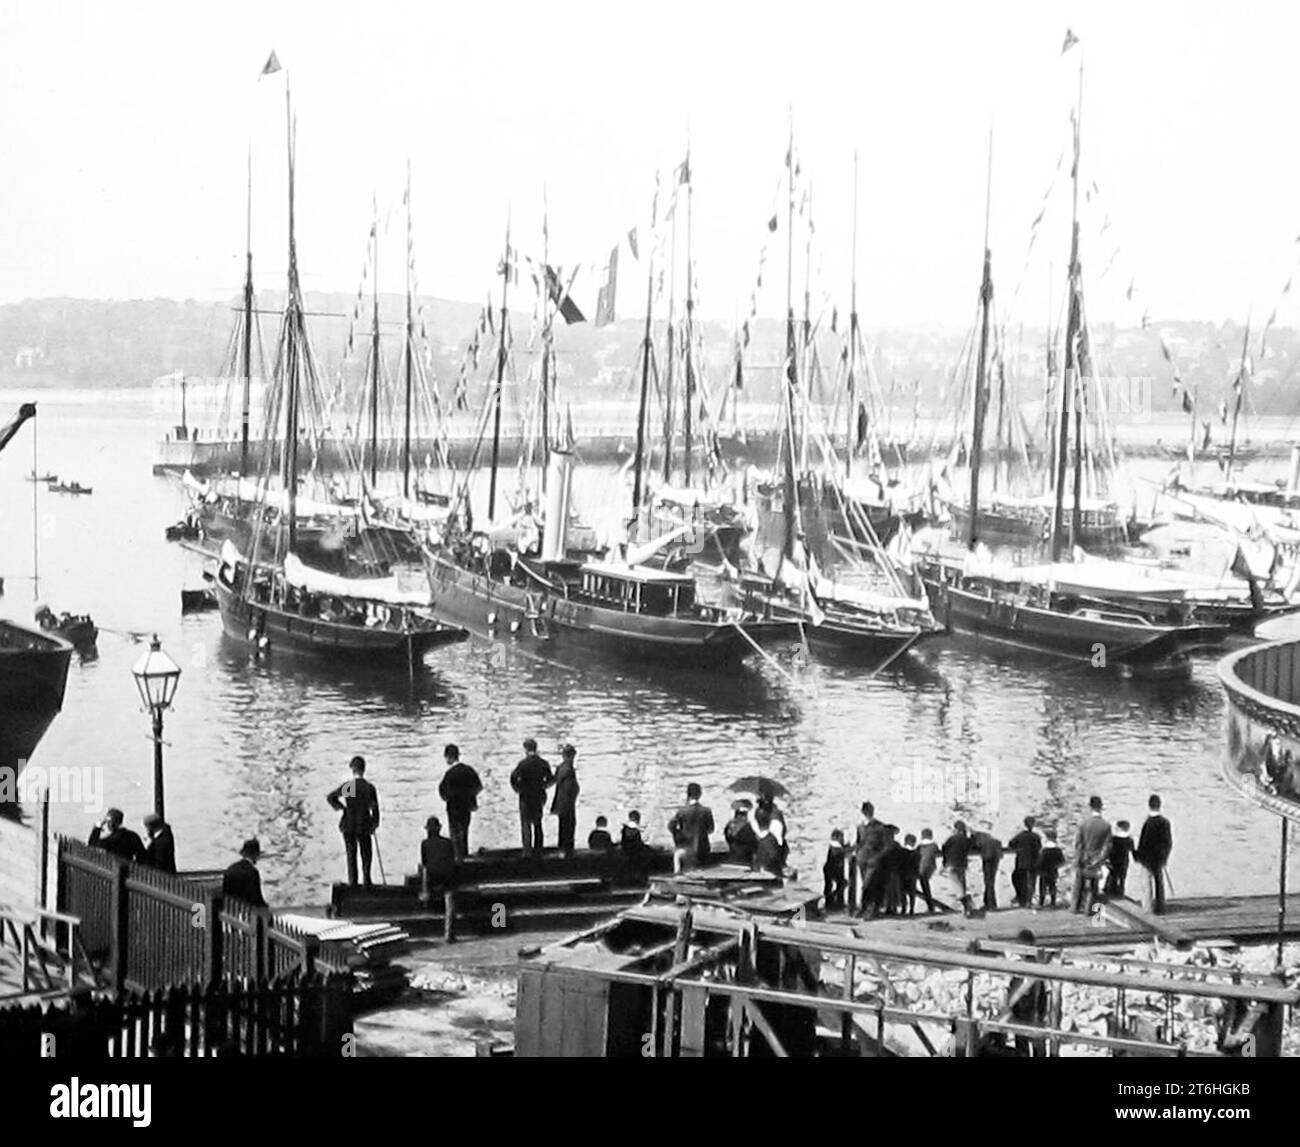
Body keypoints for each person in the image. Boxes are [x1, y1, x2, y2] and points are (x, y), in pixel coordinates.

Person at [326, 755, 380, 887]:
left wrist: (341, 808)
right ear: (364, 769)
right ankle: (367, 880)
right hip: (364, 824)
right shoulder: (369, 787)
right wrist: (374, 824)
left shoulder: (350, 787)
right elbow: (375, 810)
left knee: (351, 855)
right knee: (366, 854)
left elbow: (331, 797)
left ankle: (353, 883)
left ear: (353, 769)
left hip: (349, 823)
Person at [510, 738, 554, 856]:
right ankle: (539, 850)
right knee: (538, 823)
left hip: (525, 796)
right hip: (538, 796)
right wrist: (543, 786)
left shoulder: (522, 764)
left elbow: (513, 778)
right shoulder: (543, 763)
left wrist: (518, 789)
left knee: (526, 824)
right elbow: (551, 779)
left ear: (526, 749)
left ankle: (527, 851)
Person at [437, 744, 482, 861]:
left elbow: (443, 792)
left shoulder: (449, 774)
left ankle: (458, 858)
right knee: (464, 831)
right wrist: (470, 796)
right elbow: (478, 787)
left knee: (455, 834)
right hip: (467, 806)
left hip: (453, 807)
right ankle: (465, 855)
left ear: (448, 757)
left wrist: (449, 798)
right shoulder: (469, 770)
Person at [419, 816, 458, 943]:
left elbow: (425, 865)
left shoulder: (424, 844)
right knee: (450, 899)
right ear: (439, 829)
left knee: (424, 869)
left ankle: (426, 895)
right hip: (448, 877)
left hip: (432, 878)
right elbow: (452, 861)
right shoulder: (448, 842)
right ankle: (449, 933)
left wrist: (425, 888)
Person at [1072, 796, 1112, 915]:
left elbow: (1079, 844)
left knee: (1079, 883)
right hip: (1097, 859)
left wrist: (1078, 859)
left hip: (1084, 858)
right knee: (1094, 886)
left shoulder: (1083, 824)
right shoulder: (1106, 825)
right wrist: (1101, 859)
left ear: (1090, 807)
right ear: (1101, 807)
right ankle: (1089, 909)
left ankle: (1075, 907)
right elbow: (1107, 846)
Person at [1134, 794, 1173, 915]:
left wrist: (1138, 856)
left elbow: (1144, 843)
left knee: (1146, 884)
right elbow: (1168, 842)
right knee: (1159, 883)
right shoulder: (1165, 822)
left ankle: (1148, 909)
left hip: (1147, 859)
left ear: (1148, 806)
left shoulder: (1148, 823)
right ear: (1160, 806)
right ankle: (1161, 907)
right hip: (1160, 858)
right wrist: (1165, 857)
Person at [854, 802, 890, 918]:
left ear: (872, 811)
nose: (867, 812)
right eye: (865, 810)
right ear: (862, 812)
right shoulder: (860, 827)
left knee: (869, 884)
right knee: (865, 884)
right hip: (862, 860)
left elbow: (886, 845)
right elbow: (858, 842)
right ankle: (865, 907)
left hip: (874, 861)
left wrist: (878, 857)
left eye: (869, 810)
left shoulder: (880, 827)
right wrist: (857, 854)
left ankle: (872, 908)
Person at [667, 783, 714, 873]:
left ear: (688, 794)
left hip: (687, 846)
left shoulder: (682, 811)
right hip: (703, 847)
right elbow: (711, 829)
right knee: (703, 872)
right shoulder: (706, 811)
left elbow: (671, 826)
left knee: (687, 872)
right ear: (700, 794)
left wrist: (679, 836)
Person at [550, 744, 581, 857]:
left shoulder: (560, 768)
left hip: (560, 802)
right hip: (567, 803)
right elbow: (570, 788)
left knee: (562, 827)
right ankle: (568, 851)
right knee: (569, 826)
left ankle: (562, 848)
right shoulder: (569, 770)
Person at [939, 820, 975, 915]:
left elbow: (944, 848)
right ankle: (966, 909)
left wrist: (944, 864)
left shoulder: (951, 839)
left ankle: (966, 901)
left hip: (952, 864)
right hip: (962, 864)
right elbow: (973, 843)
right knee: (962, 884)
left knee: (957, 887)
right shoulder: (966, 840)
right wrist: (972, 834)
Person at [1006, 816, 1042, 908]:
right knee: (1031, 882)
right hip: (1033, 862)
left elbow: (1011, 844)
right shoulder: (1036, 837)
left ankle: (1021, 898)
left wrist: (1018, 850)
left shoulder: (1020, 836)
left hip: (1021, 862)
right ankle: (1028, 901)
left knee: (1019, 880)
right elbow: (1039, 848)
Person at [222, 838, 266, 908]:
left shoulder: (231, 868)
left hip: (230, 908)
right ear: (256, 854)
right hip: (245, 910)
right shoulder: (252, 872)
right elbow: (255, 897)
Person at [970, 829, 1003, 911]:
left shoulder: (980, 840)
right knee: (991, 881)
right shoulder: (995, 841)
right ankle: (989, 902)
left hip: (988, 859)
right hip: (995, 859)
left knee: (988, 882)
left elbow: (975, 846)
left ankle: (990, 904)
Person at [880, 826, 908, 915]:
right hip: (889, 870)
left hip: (891, 871)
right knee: (890, 890)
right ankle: (891, 907)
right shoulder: (891, 845)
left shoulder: (891, 845)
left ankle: (891, 907)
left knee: (892, 890)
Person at [1105, 820, 1135, 898]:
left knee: (1112, 876)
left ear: (1119, 829)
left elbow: (1108, 850)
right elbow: (1132, 850)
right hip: (1124, 861)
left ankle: (1109, 891)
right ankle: (1120, 892)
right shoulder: (1129, 840)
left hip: (1113, 860)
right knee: (1122, 877)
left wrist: (1106, 859)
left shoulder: (1113, 839)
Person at [724, 799, 759, 866]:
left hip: (732, 857)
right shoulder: (748, 826)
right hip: (745, 860)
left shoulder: (729, 824)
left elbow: (727, 838)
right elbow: (753, 843)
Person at [751, 807, 784, 878]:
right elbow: (774, 858)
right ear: (769, 822)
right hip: (769, 874)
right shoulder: (771, 839)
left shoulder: (753, 837)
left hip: (757, 872)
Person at [1037, 830, 1065, 907]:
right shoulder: (1058, 850)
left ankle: (1041, 902)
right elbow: (1062, 861)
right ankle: (1053, 902)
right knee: (1052, 886)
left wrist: (1038, 870)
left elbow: (1040, 862)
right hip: (1053, 871)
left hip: (1044, 871)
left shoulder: (1044, 850)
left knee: (1042, 887)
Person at [823, 829, 848, 911]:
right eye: (842, 837)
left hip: (829, 869)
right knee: (842, 884)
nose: (843, 839)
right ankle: (834, 900)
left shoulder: (832, 846)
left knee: (829, 886)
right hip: (834, 869)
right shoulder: (836, 848)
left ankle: (830, 902)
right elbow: (841, 851)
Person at [916, 828, 939, 912]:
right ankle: (930, 905)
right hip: (930, 867)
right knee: (925, 886)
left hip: (920, 868)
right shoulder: (934, 845)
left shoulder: (920, 847)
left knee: (924, 886)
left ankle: (930, 905)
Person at [901, 833, 921, 915]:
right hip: (913, 874)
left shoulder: (902, 852)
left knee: (902, 892)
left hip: (903, 874)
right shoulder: (917, 853)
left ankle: (904, 908)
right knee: (912, 893)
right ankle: (912, 909)